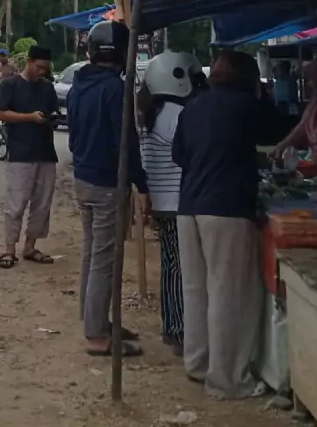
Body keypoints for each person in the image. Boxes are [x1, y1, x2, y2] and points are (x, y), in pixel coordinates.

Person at [172, 51, 281, 399]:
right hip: (227, 208)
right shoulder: (247, 106)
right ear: (250, 79)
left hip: (188, 207)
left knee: (196, 290)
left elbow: (179, 155)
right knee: (229, 294)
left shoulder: (192, 107)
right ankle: (228, 380)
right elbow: (279, 129)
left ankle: (199, 363)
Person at [66, 20, 146, 357]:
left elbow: (72, 139)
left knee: (92, 253)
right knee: (104, 259)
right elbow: (125, 142)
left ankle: (94, 319)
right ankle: (97, 333)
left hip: (84, 178)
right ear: (121, 53)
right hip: (106, 183)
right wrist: (142, 183)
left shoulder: (78, 85)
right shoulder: (115, 90)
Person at [135, 51, 205, 356]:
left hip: (161, 202)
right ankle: (179, 329)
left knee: (170, 265)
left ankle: (172, 326)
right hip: (177, 202)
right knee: (179, 268)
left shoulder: (153, 113)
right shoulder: (177, 115)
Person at [0, 45, 61, 269]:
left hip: (46, 152)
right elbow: (2, 113)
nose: (42, 71)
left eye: (45, 68)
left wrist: (51, 119)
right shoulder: (9, 85)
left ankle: (30, 246)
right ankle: (9, 249)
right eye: (39, 67)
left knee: (42, 204)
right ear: (29, 62)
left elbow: (54, 113)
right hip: (20, 153)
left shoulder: (47, 88)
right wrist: (30, 117)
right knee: (16, 203)